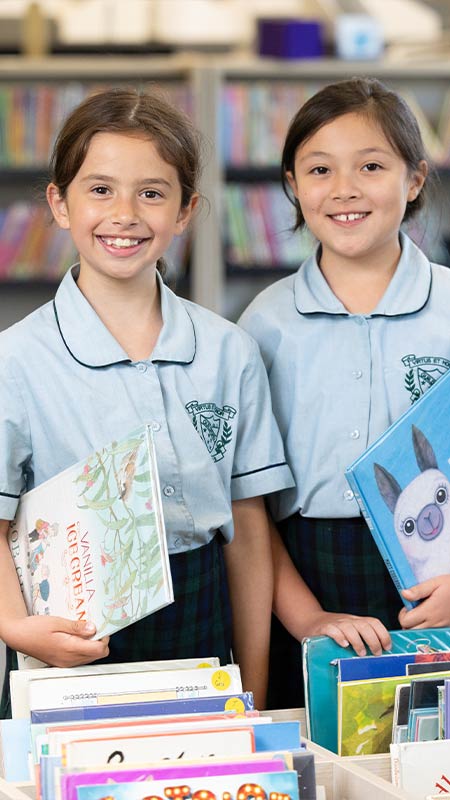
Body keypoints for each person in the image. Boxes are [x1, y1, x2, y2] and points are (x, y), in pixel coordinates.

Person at [0, 87, 294, 716]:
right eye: (100, 189)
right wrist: (14, 626)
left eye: (152, 192)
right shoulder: (15, 360)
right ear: (59, 202)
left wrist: (254, 690)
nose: (125, 213)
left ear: (186, 211)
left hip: (203, 612)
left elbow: (246, 532)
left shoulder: (230, 351)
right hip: (71, 628)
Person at [239, 76, 450, 709]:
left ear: (413, 180)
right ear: (293, 187)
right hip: (304, 580)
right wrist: (306, 619)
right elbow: (249, 503)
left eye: (372, 165)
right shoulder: (263, 324)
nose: (345, 189)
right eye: (320, 169)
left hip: (437, 575)